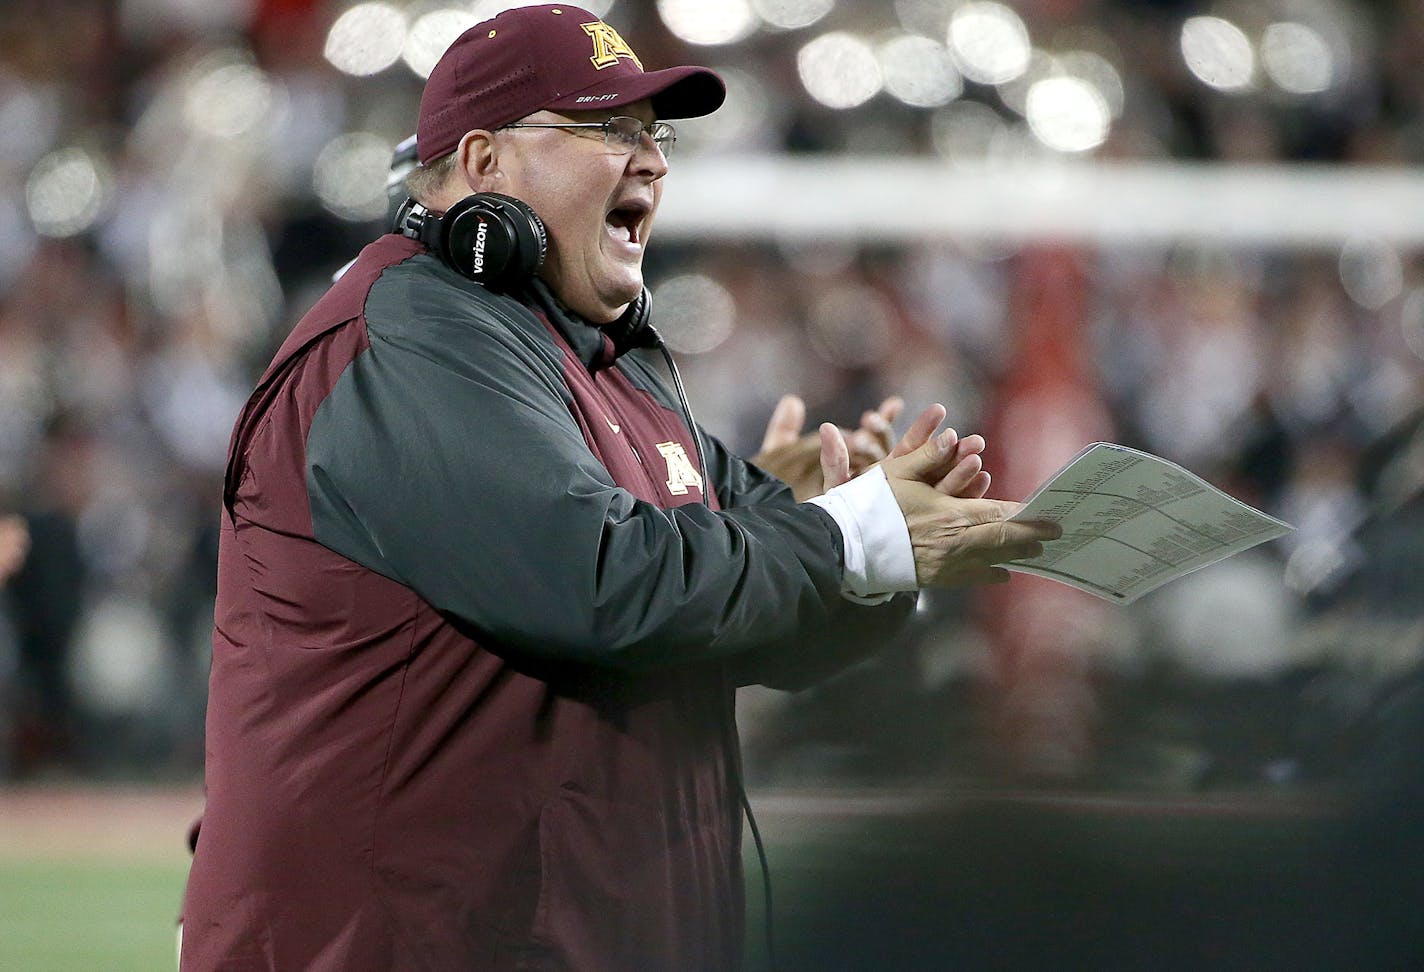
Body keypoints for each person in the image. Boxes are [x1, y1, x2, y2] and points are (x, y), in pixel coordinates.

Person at [178, 6, 1058, 970]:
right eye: (609, 130)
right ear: (484, 164)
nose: (653, 162)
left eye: (654, 134)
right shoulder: (412, 338)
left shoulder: (607, 358)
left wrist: (880, 545)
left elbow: (749, 609)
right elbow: (607, 583)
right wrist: (852, 537)